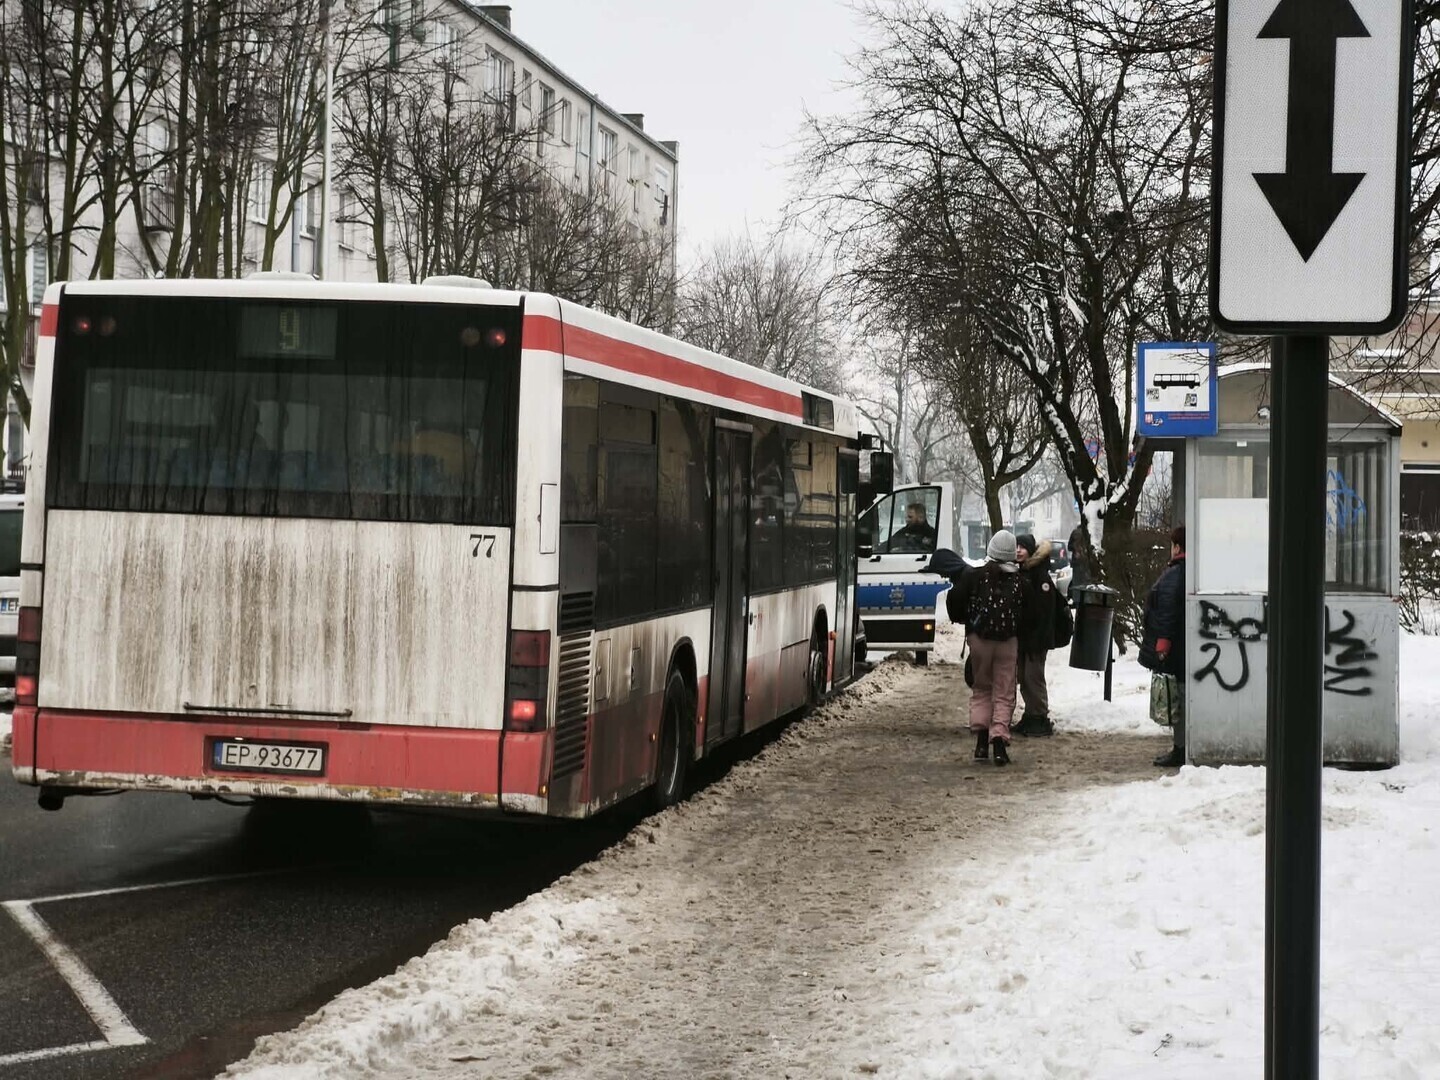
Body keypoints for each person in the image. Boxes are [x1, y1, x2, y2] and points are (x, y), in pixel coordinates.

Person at [949, 529, 1031, 766]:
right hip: (1008, 642)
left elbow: (955, 601)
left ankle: (981, 743)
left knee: (982, 688)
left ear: (991, 550)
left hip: (979, 640)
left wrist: (967, 621)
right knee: (1004, 692)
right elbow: (1030, 614)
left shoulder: (974, 576)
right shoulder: (1020, 582)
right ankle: (999, 744)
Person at [1141, 525, 1187, 767]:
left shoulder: (1175, 573)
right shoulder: (1186, 571)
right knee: (1180, 695)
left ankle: (1181, 748)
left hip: (1174, 648)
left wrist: (1162, 645)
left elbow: (1167, 611)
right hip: (1180, 644)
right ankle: (1181, 747)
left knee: (1179, 697)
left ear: (1177, 547)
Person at [1012, 533, 1059, 737]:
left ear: (1031, 550)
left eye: (1022, 547)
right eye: (1016, 546)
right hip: (1024, 638)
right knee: (1024, 677)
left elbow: (1045, 612)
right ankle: (1030, 715)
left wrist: (1037, 639)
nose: (1018, 550)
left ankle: (1040, 717)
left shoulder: (1040, 576)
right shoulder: (1021, 572)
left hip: (1037, 640)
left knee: (1033, 677)